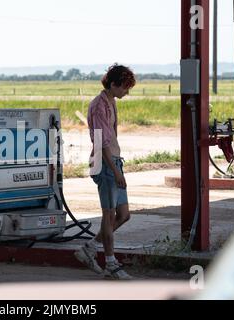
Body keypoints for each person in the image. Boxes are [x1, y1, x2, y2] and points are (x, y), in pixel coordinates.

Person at [74, 63, 136, 280]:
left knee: (124, 215)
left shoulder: (111, 102)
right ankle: (110, 263)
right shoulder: (98, 106)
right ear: (113, 84)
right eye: (125, 87)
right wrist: (116, 171)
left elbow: (114, 136)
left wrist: (119, 166)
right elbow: (101, 142)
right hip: (105, 164)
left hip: (115, 162)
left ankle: (89, 249)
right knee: (109, 216)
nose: (127, 92)